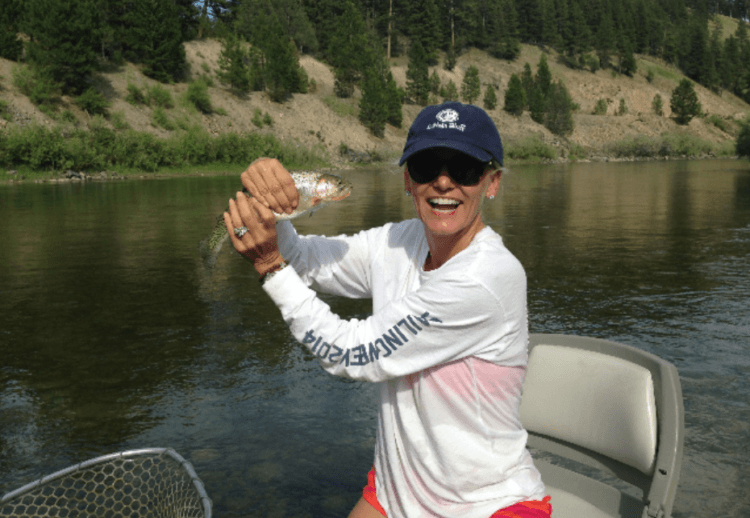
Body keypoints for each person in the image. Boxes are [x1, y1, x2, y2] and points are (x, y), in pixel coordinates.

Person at [223, 102, 551, 518]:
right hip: (398, 492)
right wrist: (266, 204)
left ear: (491, 183)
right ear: (407, 181)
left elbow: (352, 353)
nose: (444, 183)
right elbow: (307, 260)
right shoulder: (399, 240)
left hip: (487, 505)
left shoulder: (485, 278)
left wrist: (270, 267)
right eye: (427, 166)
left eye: (465, 170)